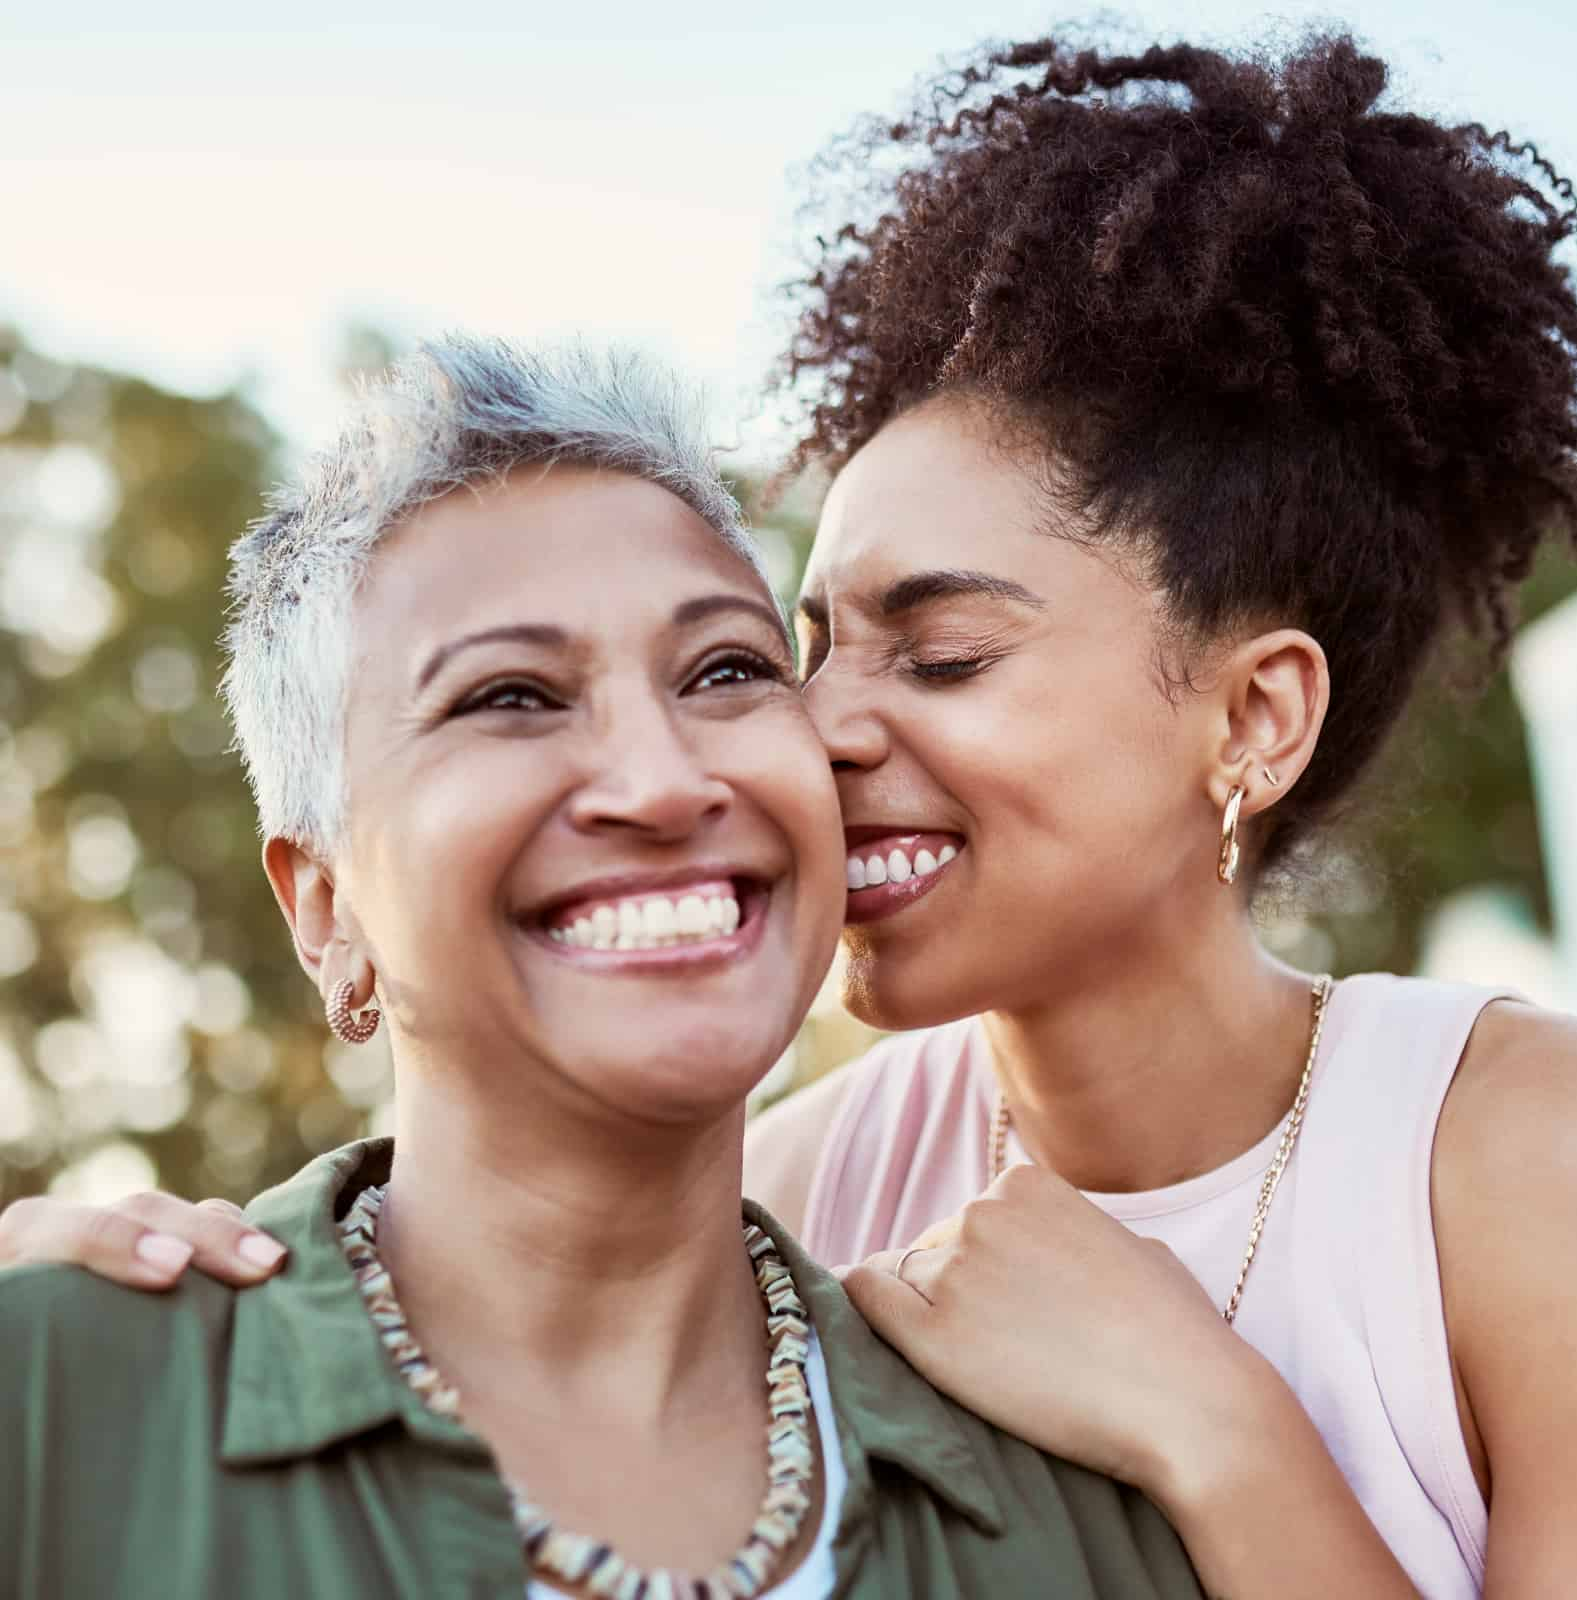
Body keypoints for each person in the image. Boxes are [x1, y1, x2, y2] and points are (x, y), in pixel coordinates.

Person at [7, 27, 1577, 1600]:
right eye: (808, 646)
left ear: (1252, 717)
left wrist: (1219, 1433)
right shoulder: (800, 1181)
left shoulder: (1528, 1155)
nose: (818, 730)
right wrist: (109, 1316)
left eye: (947, 656)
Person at [0, 336, 1201, 1599]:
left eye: (727, 671)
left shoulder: (1074, 1499)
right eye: (509, 697)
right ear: (323, 908)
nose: (667, 781)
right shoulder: (57, 1414)